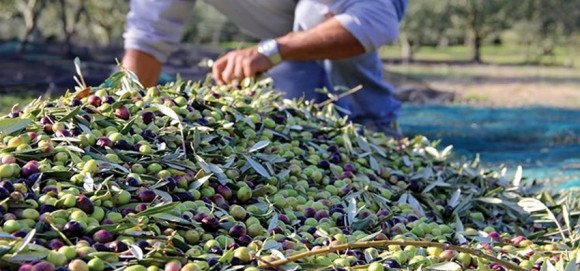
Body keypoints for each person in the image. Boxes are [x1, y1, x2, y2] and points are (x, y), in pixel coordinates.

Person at [122, 0, 408, 135]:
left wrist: (270, 51)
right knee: (299, 125)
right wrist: (127, 114)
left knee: (312, 14)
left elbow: (376, 20)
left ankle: (375, 123)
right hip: (284, 26)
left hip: (361, 6)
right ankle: (311, 133)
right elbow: (146, 40)